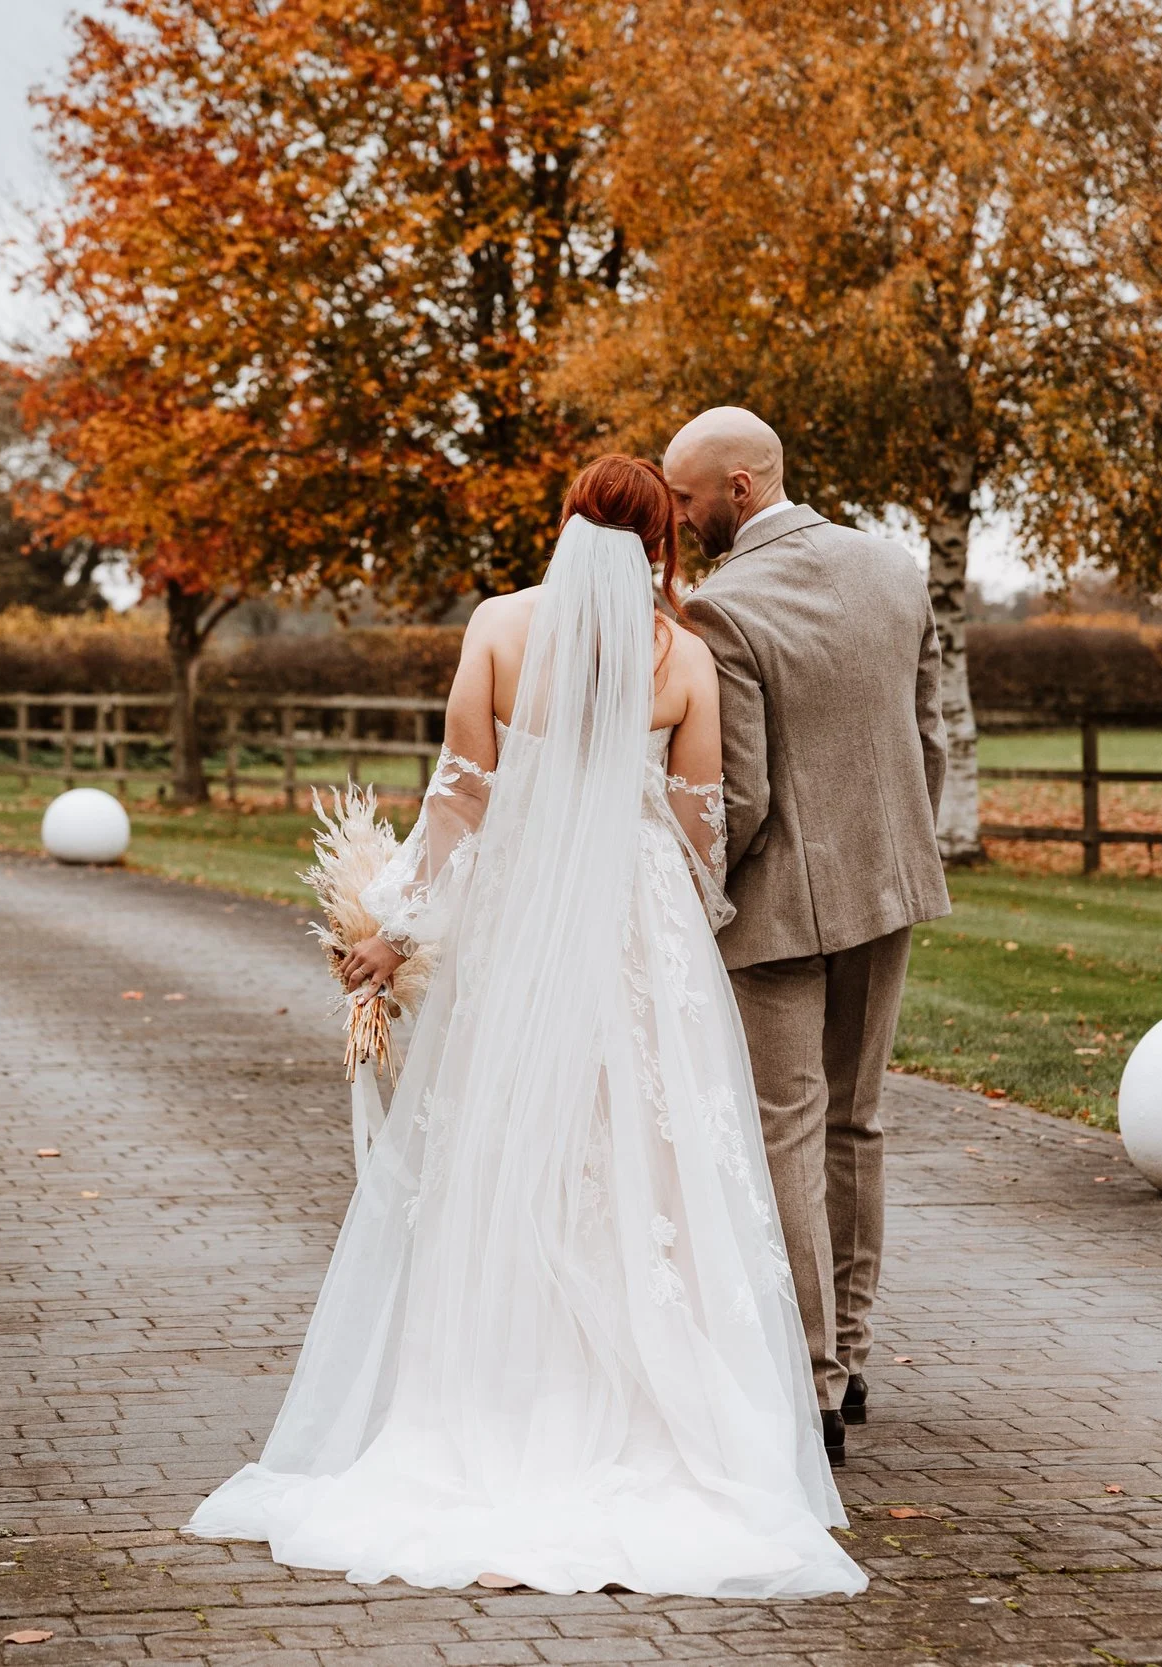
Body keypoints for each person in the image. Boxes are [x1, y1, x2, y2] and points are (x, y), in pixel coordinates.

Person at [186, 455, 864, 1598]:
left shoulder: (500, 628)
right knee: (651, 1167)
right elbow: (705, 828)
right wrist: (682, 923)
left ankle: (491, 1401)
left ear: (562, 523)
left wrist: (396, 925)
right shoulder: (681, 655)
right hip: (636, 927)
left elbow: (459, 798)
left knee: (504, 1146)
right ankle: (656, 1412)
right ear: (662, 544)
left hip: (519, 914)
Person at [664, 407, 949, 1467]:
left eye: (688, 495)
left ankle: (811, 1376)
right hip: (889, 876)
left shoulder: (720, 607)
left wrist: (686, 893)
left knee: (786, 1125)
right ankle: (857, 1355)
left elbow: (740, 794)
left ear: (738, 486)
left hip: (778, 904)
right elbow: (921, 732)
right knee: (857, 1121)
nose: (681, 515)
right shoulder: (894, 568)